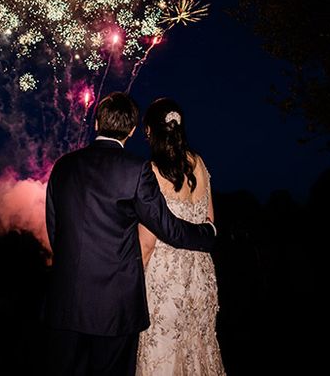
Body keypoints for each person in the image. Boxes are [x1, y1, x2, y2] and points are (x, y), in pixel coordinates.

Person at [43, 91, 217, 376]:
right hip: (115, 306)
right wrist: (206, 234)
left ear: (97, 123)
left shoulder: (63, 165)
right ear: (133, 130)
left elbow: (55, 228)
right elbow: (167, 227)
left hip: (66, 301)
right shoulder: (136, 171)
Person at [136, 97, 225, 375]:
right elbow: (210, 222)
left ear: (150, 130)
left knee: (163, 353)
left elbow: (147, 243)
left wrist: (132, 281)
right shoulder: (199, 163)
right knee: (199, 350)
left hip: (165, 279)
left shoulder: (151, 172)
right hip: (200, 274)